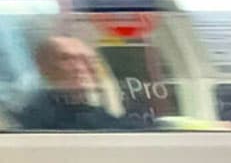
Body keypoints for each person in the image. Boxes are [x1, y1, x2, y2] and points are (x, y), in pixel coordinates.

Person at [14, 36, 150, 131]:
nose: (80, 67)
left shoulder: (93, 110)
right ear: (44, 67)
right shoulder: (39, 112)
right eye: (66, 59)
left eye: (87, 59)